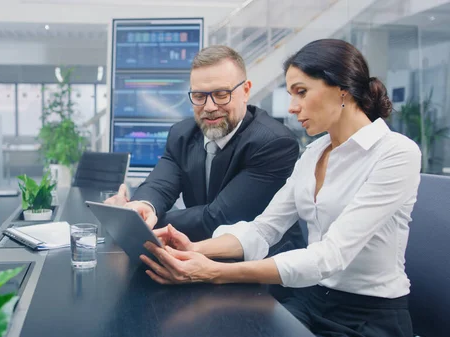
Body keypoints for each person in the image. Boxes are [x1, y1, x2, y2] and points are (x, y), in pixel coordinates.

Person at [140, 39, 420, 337]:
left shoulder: (396, 153)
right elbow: (264, 229)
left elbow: (330, 256)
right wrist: (194, 250)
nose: (291, 107)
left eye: (301, 92)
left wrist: (214, 271)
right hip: (311, 299)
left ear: (343, 88)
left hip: (368, 315)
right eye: (290, 94)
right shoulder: (314, 153)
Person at [106, 45, 305, 256]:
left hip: (263, 269)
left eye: (221, 94)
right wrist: (142, 207)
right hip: (194, 256)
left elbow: (218, 217)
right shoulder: (182, 133)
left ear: (246, 91)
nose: (209, 107)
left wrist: (133, 221)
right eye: (199, 96)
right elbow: (160, 185)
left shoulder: (273, 143)